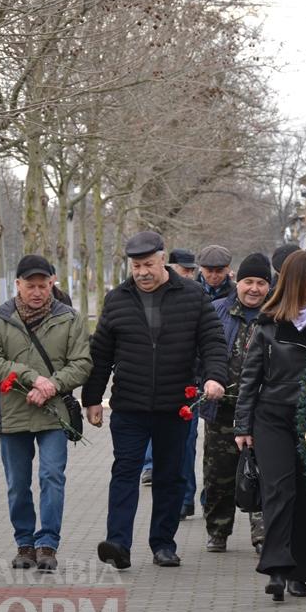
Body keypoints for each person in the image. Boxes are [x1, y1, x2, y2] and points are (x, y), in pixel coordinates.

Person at [83, 231, 228, 570]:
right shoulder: (117, 299)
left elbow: (213, 341)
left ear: (163, 260)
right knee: (125, 472)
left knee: (169, 477)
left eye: (148, 264)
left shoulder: (192, 295)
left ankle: (163, 544)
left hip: (175, 405)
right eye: (136, 266)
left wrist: (215, 377)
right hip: (129, 406)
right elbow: (101, 354)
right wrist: (92, 398)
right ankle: (118, 543)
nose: (142, 272)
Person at [234, 250, 306, 601]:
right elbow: (250, 378)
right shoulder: (268, 323)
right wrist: (242, 426)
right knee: (278, 490)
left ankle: (302, 572)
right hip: (272, 417)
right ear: (295, 279)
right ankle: (277, 569)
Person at [0, 255, 92, 573]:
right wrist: (31, 377)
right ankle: (24, 544)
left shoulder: (70, 318)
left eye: (44, 285)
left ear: (52, 283)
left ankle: (47, 545)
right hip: (13, 414)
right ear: (18, 285)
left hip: (54, 414)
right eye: (31, 286)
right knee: (17, 484)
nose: (38, 292)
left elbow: (82, 363)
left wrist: (51, 385)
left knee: (52, 477)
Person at [203, 253, 270, 554]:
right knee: (218, 473)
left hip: (263, 410)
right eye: (248, 282)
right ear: (237, 282)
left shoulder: (276, 314)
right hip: (222, 409)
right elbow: (202, 352)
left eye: (261, 283)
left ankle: (263, 533)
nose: (254, 289)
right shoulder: (217, 310)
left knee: (263, 471)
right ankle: (218, 530)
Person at [141, 247, 200, 492]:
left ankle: (183, 495)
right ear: (170, 267)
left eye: (191, 271)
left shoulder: (196, 295)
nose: (189, 274)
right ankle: (150, 466)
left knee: (186, 442)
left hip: (188, 383)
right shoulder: (150, 296)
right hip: (148, 383)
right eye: (185, 270)